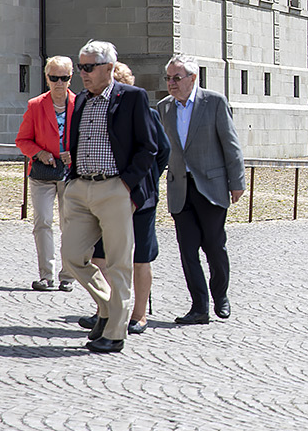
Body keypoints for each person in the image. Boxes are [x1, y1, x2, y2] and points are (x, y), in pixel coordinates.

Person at [61, 40, 159, 353]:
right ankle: (107, 307)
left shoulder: (131, 97)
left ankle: (115, 333)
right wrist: (73, 176)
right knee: (72, 255)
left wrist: (126, 185)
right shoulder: (81, 101)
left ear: (108, 68)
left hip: (114, 187)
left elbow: (149, 147)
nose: (82, 73)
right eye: (80, 67)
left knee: (119, 263)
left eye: (88, 67)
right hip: (80, 188)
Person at [158, 54, 246, 325]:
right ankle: (199, 307)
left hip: (211, 186)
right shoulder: (164, 108)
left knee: (214, 246)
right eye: (168, 78)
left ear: (193, 78)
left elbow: (231, 145)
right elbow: (161, 149)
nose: (171, 83)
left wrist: (237, 182)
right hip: (180, 189)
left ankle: (220, 295)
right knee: (187, 249)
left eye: (177, 78)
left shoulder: (214, 102)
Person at [83, 62, 168, 335]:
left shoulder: (146, 112)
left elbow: (162, 150)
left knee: (140, 257)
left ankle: (139, 315)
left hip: (139, 198)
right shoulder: (94, 109)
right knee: (101, 256)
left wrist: (146, 180)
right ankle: (104, 310)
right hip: (103, 196)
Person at [15, 56, 77, 293]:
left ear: (71, 78)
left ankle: (68, 276)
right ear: (46, 78)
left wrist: (75, 153)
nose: (59, 83)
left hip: (70, 173)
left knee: (70, 224)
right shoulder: (36, 105)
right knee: (42, 222)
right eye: (54, 78)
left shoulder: (79, 103)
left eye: (64, 78)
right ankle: (46, 275)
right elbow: (22, 140)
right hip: (42, 172)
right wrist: (39, 153)